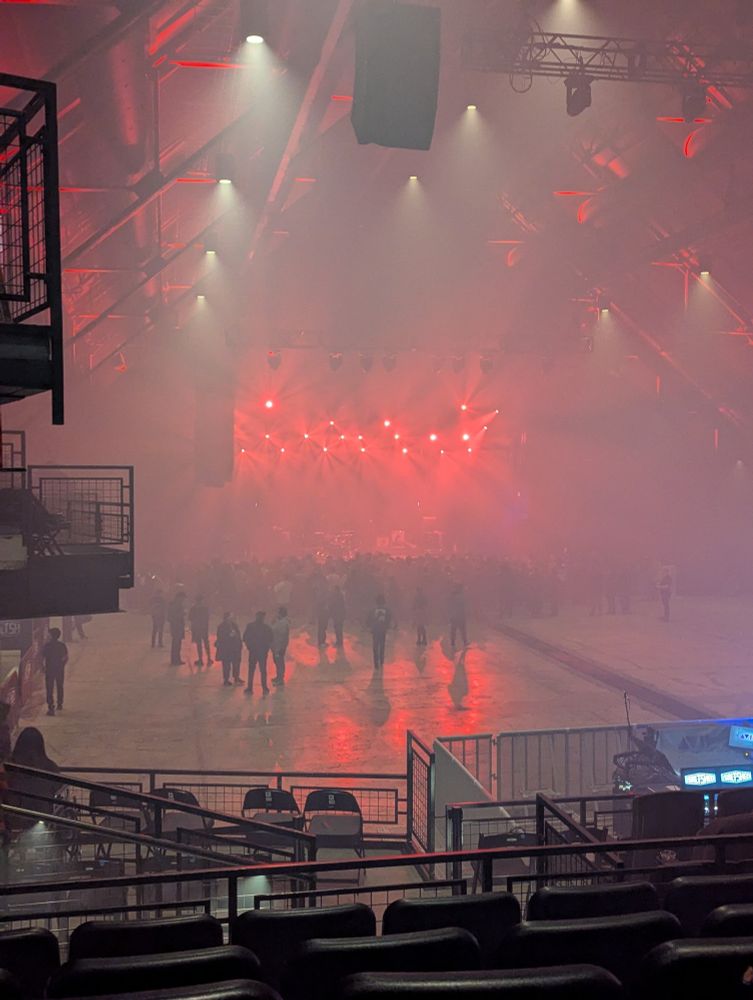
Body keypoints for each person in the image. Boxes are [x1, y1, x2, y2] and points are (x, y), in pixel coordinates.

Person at [7, 727, 61, 829]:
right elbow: (58, 788)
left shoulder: (10, 767)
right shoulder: (50, 767)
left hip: (15, 820)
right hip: (44, 817)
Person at [243, 611, 273, 696]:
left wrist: (249, 647)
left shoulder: (250, 626)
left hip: (253, 651)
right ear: (263, 618)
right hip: (262, 652)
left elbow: (245, 638)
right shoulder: (267, 628)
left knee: (251, 670)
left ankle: (250, 687)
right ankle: (264, 687)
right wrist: (267, 648)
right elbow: (271, 639)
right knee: (263, 670)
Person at [42, 627, 68, 716]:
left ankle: (50, 706)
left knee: (49, 688)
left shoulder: (47, 646)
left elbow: (43, 658)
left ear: (51, 635)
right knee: (60, 686)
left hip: (49, 670)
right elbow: (65, 657)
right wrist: (62, 665)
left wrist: (43, 667)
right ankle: (60, 704)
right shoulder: (62, 645)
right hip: (59, 669)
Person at [215, 612, 242, 686]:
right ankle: (226, 679)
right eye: (231, 616)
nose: (232, 618)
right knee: (226, 665)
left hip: (235, 648)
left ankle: (236, 677)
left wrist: (239, 644)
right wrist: (229, 636)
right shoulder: (221, 626)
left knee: (236, 663)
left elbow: (238, 635)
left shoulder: (234, 625)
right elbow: (220, 637)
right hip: (226, 648)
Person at [367, 594, 392, 672]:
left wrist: (369, 626)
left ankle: (376, 663)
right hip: (382, 630)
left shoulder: (372, 610)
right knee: (382, 646)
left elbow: (368, 620)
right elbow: (389, 619)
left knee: (375, 646)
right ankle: (381, 661)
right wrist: (387, 626)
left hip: (375, 630)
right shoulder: (387, 610)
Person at [189, 595, 211, 667]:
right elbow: (207, 617)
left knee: (199, 644)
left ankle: (200, 659)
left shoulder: (193, 608)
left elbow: (190, 618)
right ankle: (209, 658)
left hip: (196, 628)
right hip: (204, 628)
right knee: (206, 643)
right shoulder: (205, 608)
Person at [271, 606, 291, 686]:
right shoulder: (280, 622)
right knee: (277, 662)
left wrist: (278, 648)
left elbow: (281, 635)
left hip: (279, 646)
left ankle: (280, 678)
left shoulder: (283, 623)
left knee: (279, 662)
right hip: (277, 645)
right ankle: (278, 676)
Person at [167, 590, 187, 665]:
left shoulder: (174, 604)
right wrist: (182, 614)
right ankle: (175, 660)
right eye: (183, 598)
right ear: (179, 597)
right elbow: (172, 617)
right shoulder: (176, 605)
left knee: (177, 644)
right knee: (176, 644)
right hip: (177, 626)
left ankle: (176, 659)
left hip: (176, 626)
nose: (183, 600)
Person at [448, 582, 468, 650]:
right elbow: (463, 607)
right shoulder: (461, 597)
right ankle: (464, 642)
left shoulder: (452, 596)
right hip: (460, 616)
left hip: (454, 616)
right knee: (462, 630)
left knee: (454, 630)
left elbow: (450, 606)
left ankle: (453, 642)